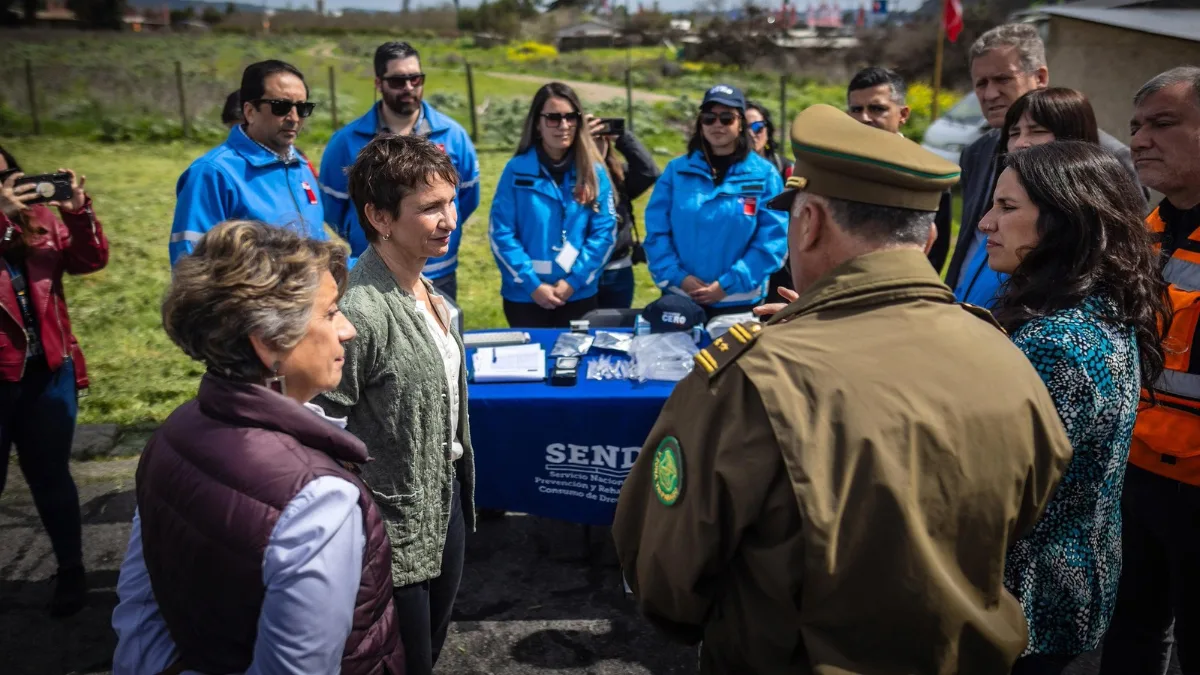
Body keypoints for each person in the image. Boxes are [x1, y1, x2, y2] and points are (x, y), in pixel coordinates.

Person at [611, 104, 1074, 674]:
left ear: (808, 225)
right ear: (928, 237)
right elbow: (1024, 516)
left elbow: (664, 578)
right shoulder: (1005, 354)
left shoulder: (753, 379)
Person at [111, 220, 405, 675]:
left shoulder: (172, 433)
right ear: (269, 342)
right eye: (329, 314)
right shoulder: (317, 499)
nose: (347, 330)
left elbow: (140, 603)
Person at [978, 141, 1169, 675]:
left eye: (1008, 208)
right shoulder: (1097, 308)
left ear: (1065, 219)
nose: (986, 223)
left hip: (1029, 605)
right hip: (1069, 592)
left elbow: (996, 489)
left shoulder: (1057, 339)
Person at [315, 135, 475, 675]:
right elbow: (321, 426)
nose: (449, 219)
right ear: (380, 216)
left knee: (427, 650)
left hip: (444, 500)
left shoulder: (428, 290)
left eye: (450, 202)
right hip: (391, 528)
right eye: (429, 208)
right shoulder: (362, 308)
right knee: (403, 662)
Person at [1100, 66, 1200, 675]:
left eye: (1163, 124)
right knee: (1130, 638)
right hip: (1135, 476)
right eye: (1136, 126)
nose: (1139, 139)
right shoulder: (1144, 233)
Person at [943, 23, 1140, 308]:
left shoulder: (1109, 158)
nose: (989, 94)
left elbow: (1123, 253)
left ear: (1040, 77)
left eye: (1002, 79)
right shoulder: (977, 151)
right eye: (981, 83)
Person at [0, 146, 107, 618]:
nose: (10, 187)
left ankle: (71, 569)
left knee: (51, 475)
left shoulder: (42, 218)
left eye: (12, 176)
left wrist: (78, 214)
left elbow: (90, 259)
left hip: (47, 368)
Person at [320, 41, 480, 290]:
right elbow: (333, 208)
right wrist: (372, 238)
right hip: (375, 273)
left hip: (439, 272)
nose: (408, 87)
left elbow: (467, 196)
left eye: (415, 79)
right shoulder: (345, 141)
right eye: (397, 81)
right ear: (378, 83)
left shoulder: (454, 136)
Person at [643, 84, 788, 321]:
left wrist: (726, 285)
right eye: (709, 118)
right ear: (700, 123)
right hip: (680, 298)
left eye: (726, 118)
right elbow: (656, 233)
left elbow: (773, 241)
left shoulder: (765, 175)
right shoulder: (676, 171)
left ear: (740, 123)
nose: (717, 125)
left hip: (739, 303)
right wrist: (680, 278)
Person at [169, 60, 326, 266]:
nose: (294, 118)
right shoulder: (213, 173)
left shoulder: (301, 166)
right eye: (282, 107)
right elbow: (191, 265)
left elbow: (319, 245)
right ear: (250, 112)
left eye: (303, 108)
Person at [488, 82, 617, 328]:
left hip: (578, 294)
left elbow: (604, 233)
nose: (564, 125)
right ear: (537, 123)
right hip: (525, 297)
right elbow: (501, 232)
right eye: (553, 118)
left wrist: (573, 282)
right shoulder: (515, 171)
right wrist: (532, 284)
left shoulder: (594, 172)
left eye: (570, 117)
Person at [846, 66, 952, 272]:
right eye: (856, 109)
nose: (864, 118)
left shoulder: (927, 173)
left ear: (903, 114)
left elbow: (935, 253)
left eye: (877, 109)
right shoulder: (835, 167)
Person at [585, 114, 659, 310]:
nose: (596, 145)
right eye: (590, 139)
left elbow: (649, 171)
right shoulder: (567, 177)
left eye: (601, 139)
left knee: (615, 331)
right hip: (581, 271)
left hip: (617, 270)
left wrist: (622, 136)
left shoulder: (619, 175)